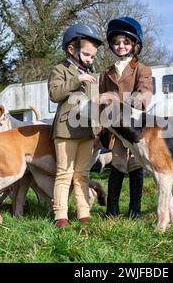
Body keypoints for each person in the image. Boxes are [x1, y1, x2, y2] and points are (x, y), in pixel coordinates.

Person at [48, 23, 103, 228]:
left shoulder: (92, 76)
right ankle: (60, 216)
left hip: (86, 130)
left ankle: (84, 214)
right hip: (65, 130)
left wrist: (97, 130)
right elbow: (54, 94)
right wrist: (76, 79)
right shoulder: (59, 69)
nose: (91, 60)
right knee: (64, 173)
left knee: (82, 174)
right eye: (87, 55)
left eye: (93, 57)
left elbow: (95, 105)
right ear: (72, 49)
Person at [99, 16, 153, 219]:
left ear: (134, 45)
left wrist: (114, 99)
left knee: (136, 166)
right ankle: (112, 211)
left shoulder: (142, 69)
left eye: (125, 42)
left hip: (135, 127)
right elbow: (101, 102)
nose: (120, 46)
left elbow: (143, 96)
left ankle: (135, 211)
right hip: (114, 129)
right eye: (116, 42)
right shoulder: (105, 73)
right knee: (117, 165)